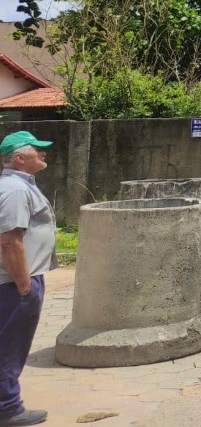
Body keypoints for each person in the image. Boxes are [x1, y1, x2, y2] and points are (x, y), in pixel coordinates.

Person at [0, 131, 54, 427]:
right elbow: (9, 241)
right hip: (14, 282)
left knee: (10, 341)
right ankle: (8, 408)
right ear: (20, 158)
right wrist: (24, 285)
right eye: (38, 150)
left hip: (19, 279)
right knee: (10, 343)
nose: (44, 154)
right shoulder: (15, 190)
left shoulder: (20, 186)